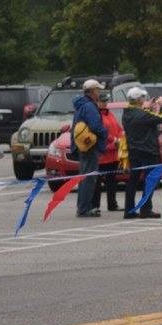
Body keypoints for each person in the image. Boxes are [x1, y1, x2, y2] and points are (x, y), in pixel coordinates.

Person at [120, 87, 162, 219]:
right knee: (150, 180)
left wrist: (150, 108)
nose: (145, 100)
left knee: (133, 181)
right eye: (143, 98)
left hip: (134, 151)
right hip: (148, 151)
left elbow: (144, 117)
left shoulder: (127, 113)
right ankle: (146, 209)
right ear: (139, 99)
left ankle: (129, 210)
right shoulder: (142, 115)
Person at [71, 78, 108, 219]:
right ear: (92, 91)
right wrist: (105, 133)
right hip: (89, 147)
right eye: (98, 90)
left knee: (84, 177)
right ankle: (84, 209)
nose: (99, 92)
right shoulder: (90, 107)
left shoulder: (82, 105)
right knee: (89, 178)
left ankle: (83, 207)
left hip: (83, 146)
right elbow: (96, 126)